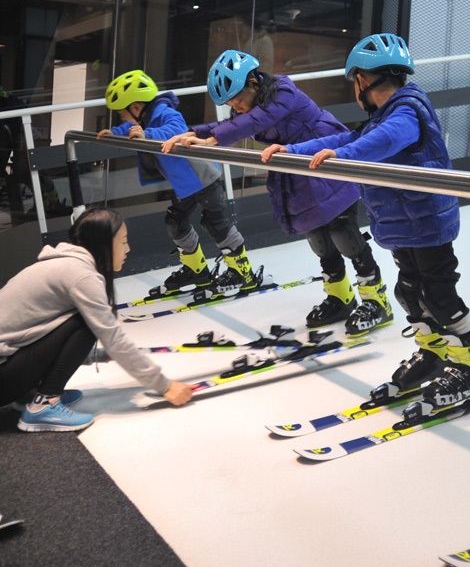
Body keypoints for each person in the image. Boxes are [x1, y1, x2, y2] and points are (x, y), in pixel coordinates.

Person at [262, 33, 470, 418]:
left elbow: (386, 140)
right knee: (408, 290)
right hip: (404, 224)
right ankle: (435, 356)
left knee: (440, 296)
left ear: (363, 80)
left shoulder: (407, 109)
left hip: (426, 222)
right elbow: (351, 136)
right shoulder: (383, 115)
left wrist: (343, 155)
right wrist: (294, 149)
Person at [161, 50, 392, 337]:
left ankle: (376, 300)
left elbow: (256, 120)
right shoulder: (246, 110)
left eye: (238, 98)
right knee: (317, 235)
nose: (236, 106)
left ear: (254, 83)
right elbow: (232, 123)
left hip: (325, 156)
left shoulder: (283, 91)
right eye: (230, 102)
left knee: (343, 231)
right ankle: (340, 297)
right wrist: (191, 131)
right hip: (295, 169)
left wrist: (212, 137)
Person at [0, 208, 192, 432]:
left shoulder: (66, 265)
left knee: (85, 320)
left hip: (8, 368)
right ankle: (44, 403)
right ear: (103, 243)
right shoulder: (82, 276)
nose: (127, 249)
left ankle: (30, 393)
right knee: (87, 322)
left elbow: (42, 332)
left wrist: (97, 355)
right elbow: (113, 338)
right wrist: (165, 386)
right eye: (123, 242)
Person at [98, 70, 256, 297]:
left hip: (203, 178)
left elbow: (177, 129)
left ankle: (243, 273)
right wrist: (113, 132)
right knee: (175, 221)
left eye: (123, 114)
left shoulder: (163, 111)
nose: (123, 119)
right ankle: (197, 270)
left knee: (216, 223)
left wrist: (147, 133)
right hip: (185, 184)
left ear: (136, 107)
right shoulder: (145, 117)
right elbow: (131, 129)